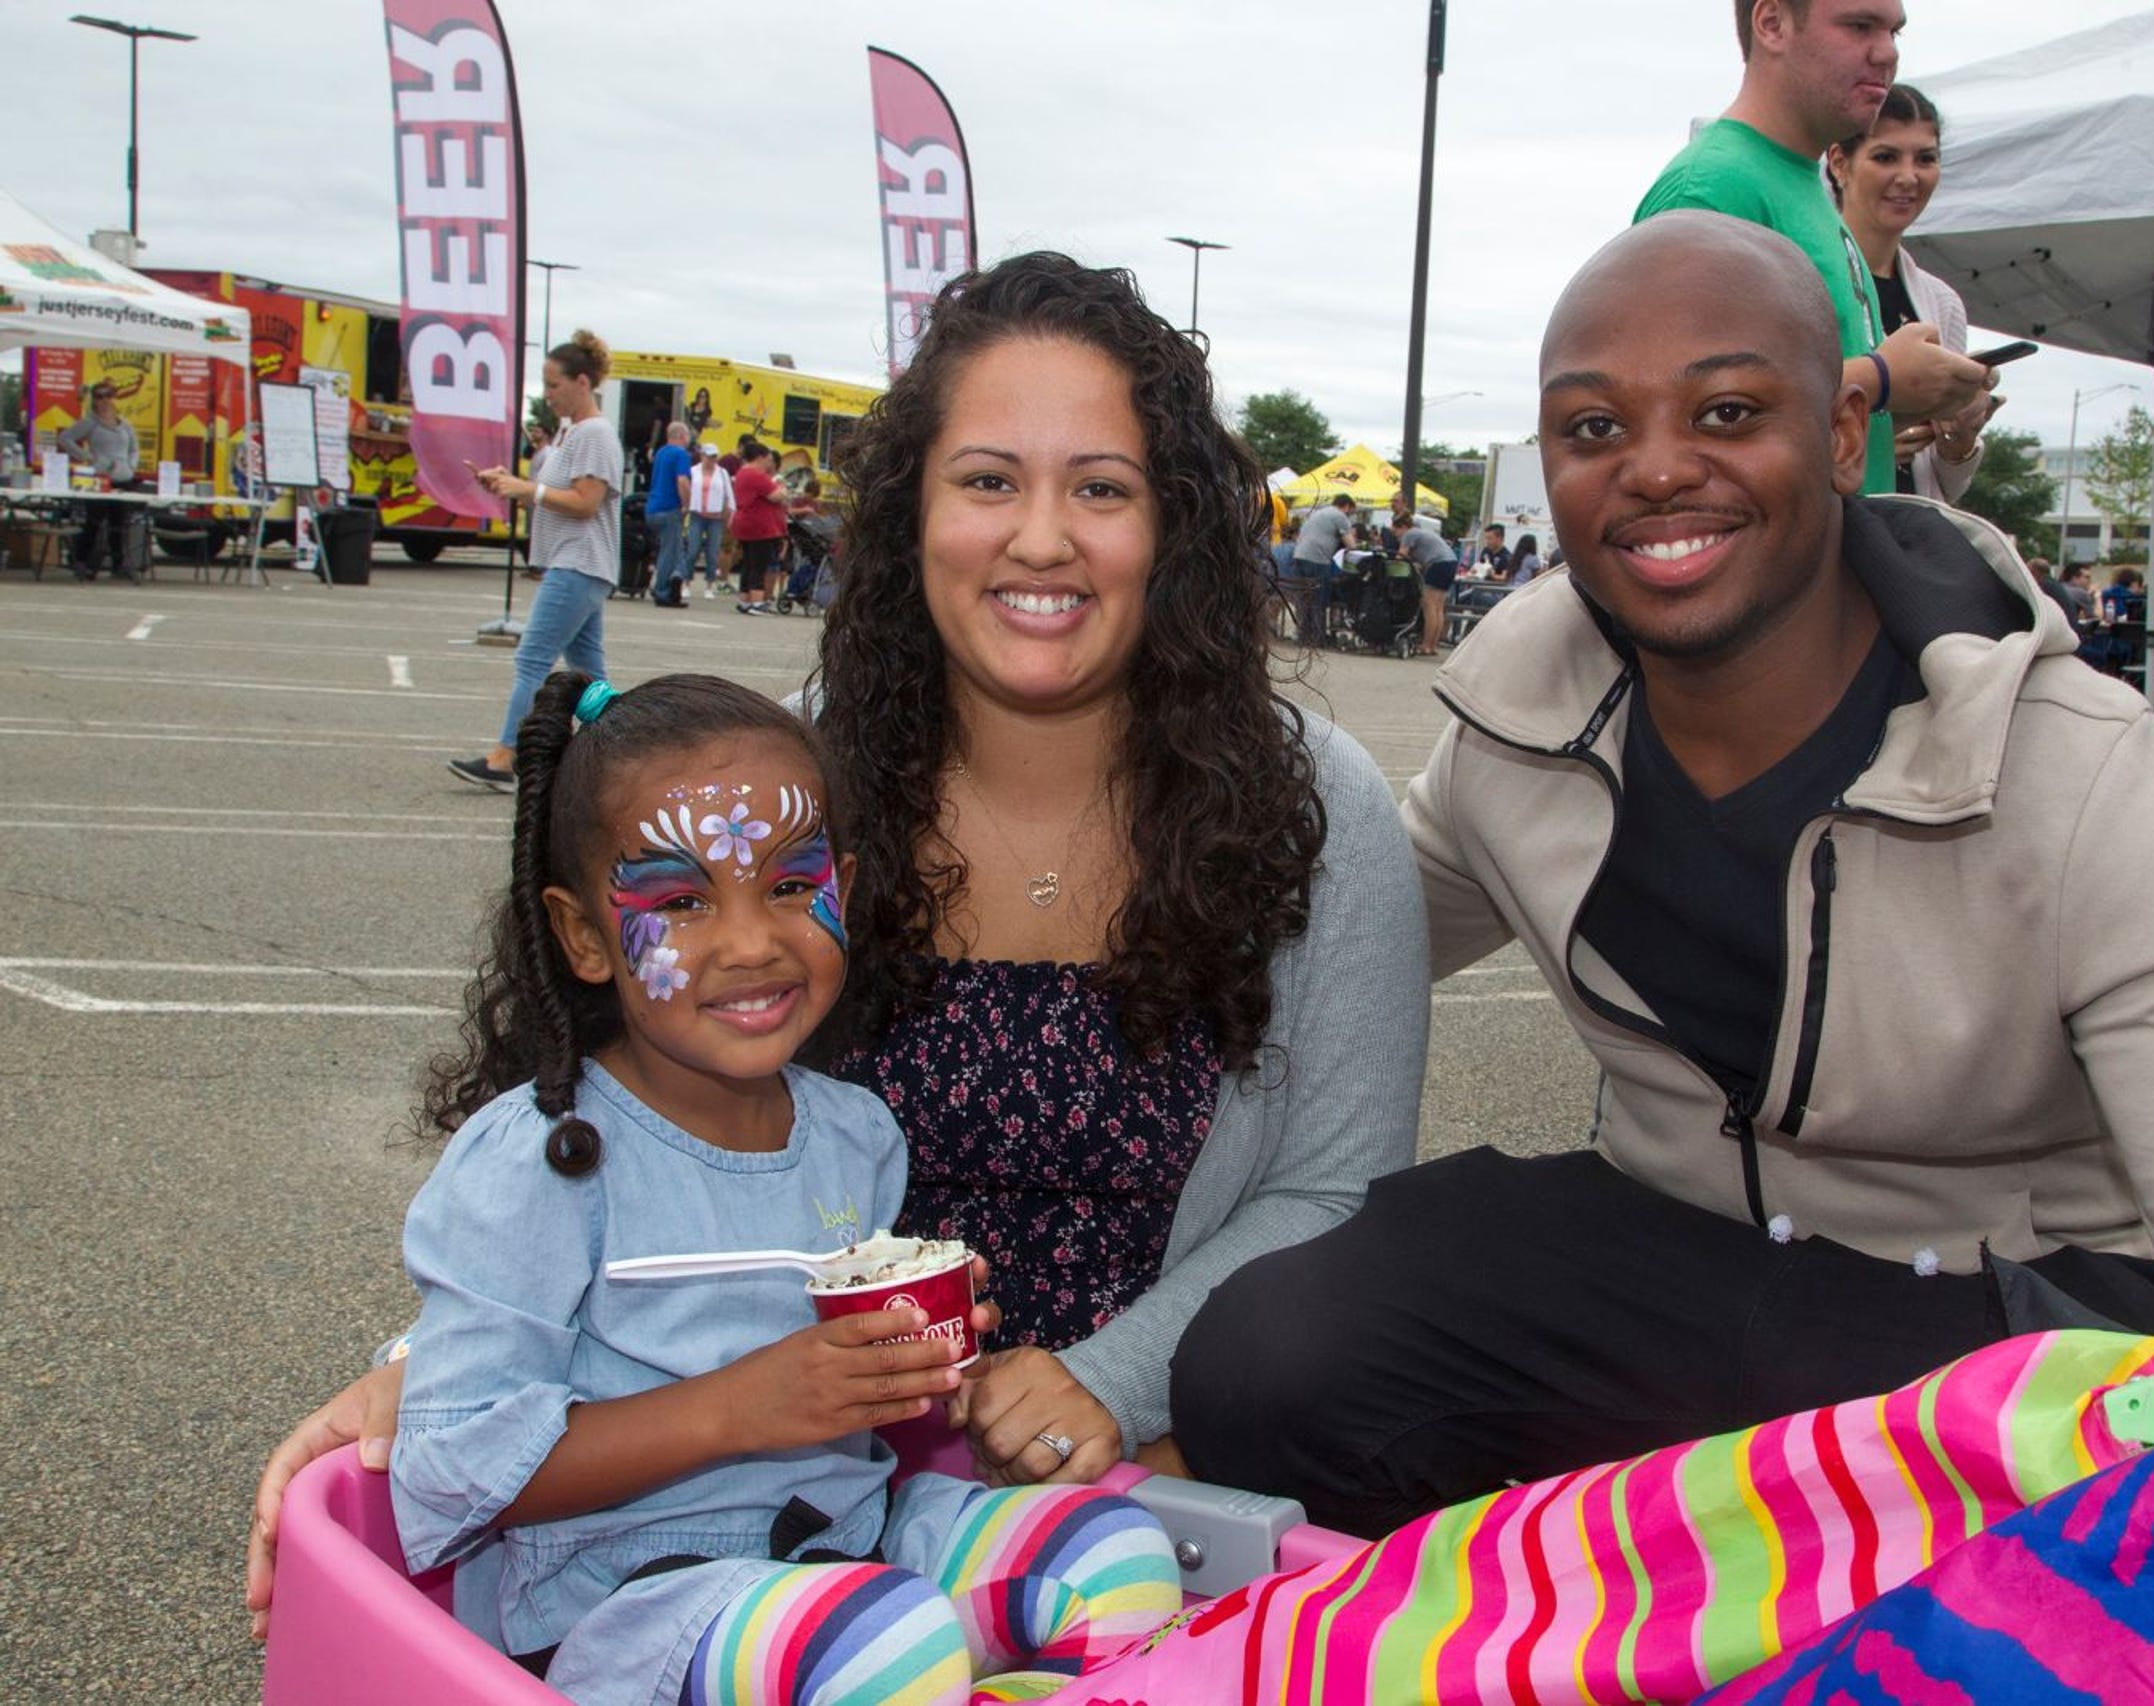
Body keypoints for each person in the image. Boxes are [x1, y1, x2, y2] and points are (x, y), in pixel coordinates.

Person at [1170, 212, 2154, 1538]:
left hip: (1997, 1332)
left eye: (1725, 410)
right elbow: (1304, 936)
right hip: (1683, 1264)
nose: (1655, 469)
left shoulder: (2072, 764)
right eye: (1593, 429)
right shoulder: (1521, 727)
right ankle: (1597, 1594)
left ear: (1839, 433)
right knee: (1271, 1355)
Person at [245, 253, 1429, 1634]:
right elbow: (611, 1118)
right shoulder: (785, 782)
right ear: (912, 509)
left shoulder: (1318, 807)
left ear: (1173, 526)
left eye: (1099, 487)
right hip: (756, 1473)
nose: (1041, 537)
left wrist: (1107, 1379)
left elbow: (1335, 1200)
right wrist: (431, 1363)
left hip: (1152, 1452)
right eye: (989, 480)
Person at [392, 666, 1176, 1700]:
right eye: (678, 900)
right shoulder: (540, 1161)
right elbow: (448, 1471)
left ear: (844, 885)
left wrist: (926, 1366)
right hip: (626, 1600)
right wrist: (742, 1405)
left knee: (1118, 1551)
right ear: (583, 934)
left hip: (847, 1544)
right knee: (881, 1642)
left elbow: (861, 1410)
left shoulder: (855, 1133)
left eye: (793, 885)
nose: (754, 941)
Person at [1635, 0, 1994, 496]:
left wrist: (1914, 397)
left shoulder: (1803, 184)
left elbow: (1777, 395)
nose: (1887, 52)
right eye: (1860, 26)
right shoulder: (1711, 188)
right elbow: (1670, 408)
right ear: (1772, 23)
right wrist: (1883, 379)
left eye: (1895, 32)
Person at [449, 331, 624, 791]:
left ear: (582, 382)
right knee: (589, 670)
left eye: (552, 385)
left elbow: (587, 501)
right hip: (578, 562)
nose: (547, 396)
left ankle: (507, 756)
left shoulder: (595, 434)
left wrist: (529, 490)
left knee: (533, 657)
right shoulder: (573, 434)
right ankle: (617, 750)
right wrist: (511, 484)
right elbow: (558, 496)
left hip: (580, 561)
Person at [1826, 83, 1996, 499]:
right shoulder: (1803, 277)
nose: (1908, 177)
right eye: (1885, 157)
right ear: (1839, 164)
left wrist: (1959, 439)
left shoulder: (1941, 302)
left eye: (1926, 158)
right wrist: (1874, 440)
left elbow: (1945, 486)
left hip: (1905, 537)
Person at [57, 379, 142, 581]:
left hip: (123, 478)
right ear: (94, 400)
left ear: (114, 398)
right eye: (99, 396)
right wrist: (88, 457)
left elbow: (135, 448)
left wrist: (131, 465)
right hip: (100, 479)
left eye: (108, 395)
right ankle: (81, 561)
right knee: (94, 521)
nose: (104, 400)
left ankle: (119, 564)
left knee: (119, 524)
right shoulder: (90, 422)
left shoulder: (124, 424)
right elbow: (65, 438)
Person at [1288, 492, 1358, 644]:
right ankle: (1318, 637)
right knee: (1318, 599)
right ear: (1346, 506)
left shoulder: (1319, 513)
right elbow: (1351, 545)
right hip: (1317, 560)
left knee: (1303, 599)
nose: (1350, 516)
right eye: (1351, 512)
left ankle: (1303, 635)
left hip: (1299, 555)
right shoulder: (1340, 516)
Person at [728, 441, 788, 615]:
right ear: (760, 457)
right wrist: (783, 488)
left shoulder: (742, 473)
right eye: (768, 458)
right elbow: (776, 496)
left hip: (745, 523)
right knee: (759, 565)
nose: (769, 462)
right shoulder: (757, 475)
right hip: (760, 527)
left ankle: (745, 599)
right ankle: (757, 601)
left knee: (748, 563)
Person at [643, 420, 694, 607]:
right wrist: (687, 504)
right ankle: (662, 590)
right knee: (669, 552)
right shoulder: (681, 454)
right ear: (681, 436)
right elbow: (682, 480)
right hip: (668, 508)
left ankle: (676, 579)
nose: (689, 439)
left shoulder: (661, 452)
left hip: (652, 507)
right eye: (687, 435)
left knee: (675, 549)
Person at [1401, 510, 1460, 654]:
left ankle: (1426, 645)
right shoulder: (1424, 533)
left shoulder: (1410, 534)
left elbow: (1401, 556)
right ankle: (1433, 645)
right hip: (1451, 562)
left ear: (1402, 526)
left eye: (1395, 530)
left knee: (1429, 606)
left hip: (1438, 564)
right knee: (1439, 607)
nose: (1395, 534)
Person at [680, 437, 731, 595]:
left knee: (712, 552)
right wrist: (686, 507)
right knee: (693, 549)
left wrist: (727, 513)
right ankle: (686, 582)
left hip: (716, 517)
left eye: (714, 456)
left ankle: (709, 585)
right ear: (702, 456)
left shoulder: (722, 473)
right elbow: (686, 488)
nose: (711, 460)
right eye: (709, 456)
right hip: (697, 513)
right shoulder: (693, 471)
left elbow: (728, 494)